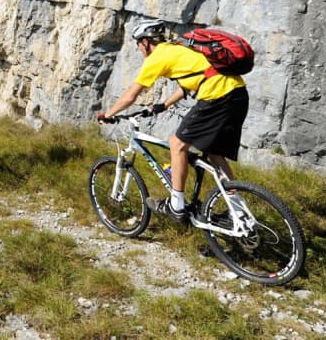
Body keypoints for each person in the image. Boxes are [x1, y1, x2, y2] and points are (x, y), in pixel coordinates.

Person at [98, 18, 249, 222]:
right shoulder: (178, 48)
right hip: (238, 94)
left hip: (216, 96)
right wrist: (165, 104)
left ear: (145, 41)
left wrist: (108, 114)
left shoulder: (157, 57)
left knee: (177, 144)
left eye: (138, 44)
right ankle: (239, 213)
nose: (138, 49)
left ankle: (176, 206)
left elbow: (130, 96)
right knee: (215, 154)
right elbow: (194, 79)